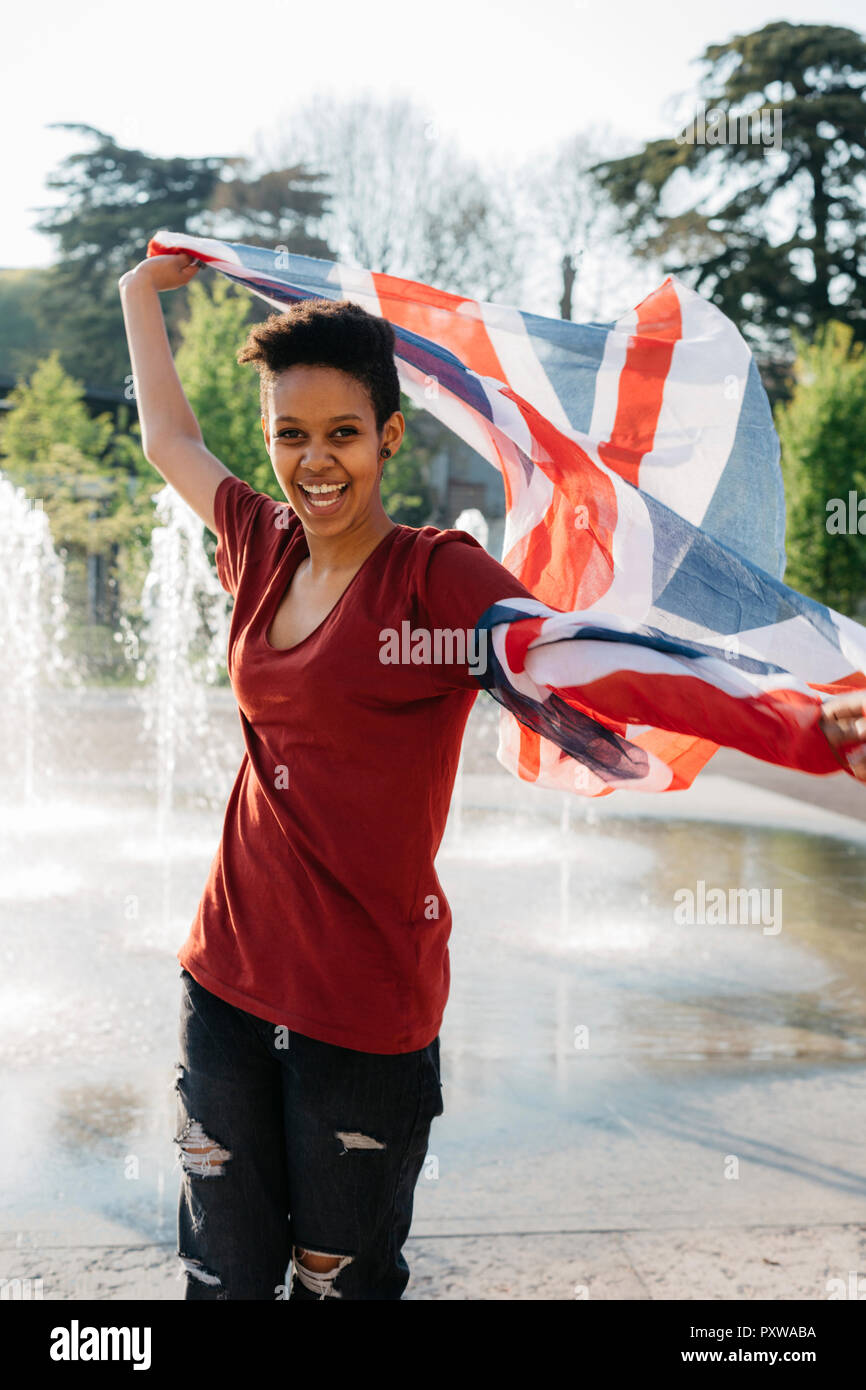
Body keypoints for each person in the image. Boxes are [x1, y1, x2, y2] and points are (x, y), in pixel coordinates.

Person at [118, 250, 866, 1301]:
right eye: (291, 435)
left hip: (363, 1019)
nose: (315, 462)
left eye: (342, 434)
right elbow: (168, 440)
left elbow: (586, 653)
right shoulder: (258, 541)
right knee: (222, 1282)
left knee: (341, 1287)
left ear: (388, 437)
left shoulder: (434, 579)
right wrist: (136, 298)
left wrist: (798, 724)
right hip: (224, 989)